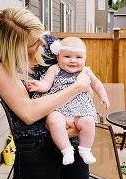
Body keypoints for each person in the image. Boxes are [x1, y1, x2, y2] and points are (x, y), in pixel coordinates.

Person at [0, 8, 94, 179]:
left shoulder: (50, 43)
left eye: (41, 35)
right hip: (36, 150)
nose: (43, 43)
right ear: (15, 47)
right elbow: (29, 113)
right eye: (34, 43)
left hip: (72, 141)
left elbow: (87, 82)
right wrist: (76, 88)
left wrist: (80, 122)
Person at [25, 37, 108, 165]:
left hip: (81, 109)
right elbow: (46, 84)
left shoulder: (86, 71)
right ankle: (66, 150)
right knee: (54, 121)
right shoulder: (54, 69)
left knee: (89, 121)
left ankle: (85, 149)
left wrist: (104, 97)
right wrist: (38, 86)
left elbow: (97, 85)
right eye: (67, 56)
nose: (73, 61)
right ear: (58, 56)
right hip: (59, 108)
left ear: (85, 58)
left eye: (78, 57)